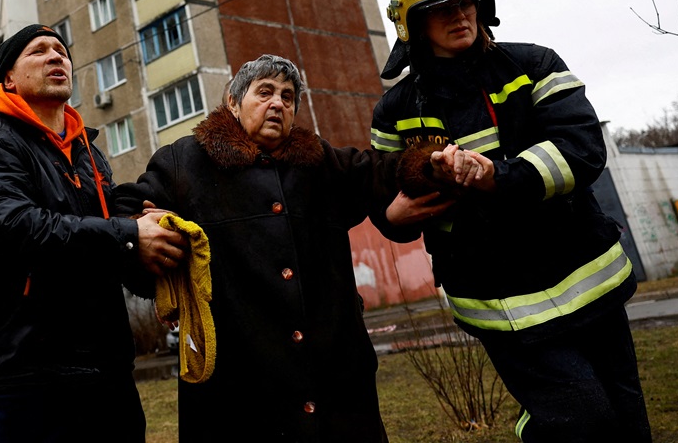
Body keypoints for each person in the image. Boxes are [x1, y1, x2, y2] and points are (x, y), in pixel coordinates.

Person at [371, 0, 651, 442]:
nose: (460, 14)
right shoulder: (394, 112)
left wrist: (497, 177)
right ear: (411, 24)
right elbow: (386, 194)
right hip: (498, 301)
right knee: (582, 422)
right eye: (441, 7)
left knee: (626, 423)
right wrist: (394, 215)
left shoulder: (535, 64)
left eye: (468, 0)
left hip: (590, 278)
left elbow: (582, 148)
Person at [112, 54, 468, 442]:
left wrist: (432, 166)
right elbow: (127, 213)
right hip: (239, 386)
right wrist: (145, 235)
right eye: (264, 92)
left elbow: (383, 170)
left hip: (333, 374)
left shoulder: (320, 160)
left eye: (287, 96)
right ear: (233, 102)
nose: (278, 103)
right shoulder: (183, 162)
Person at [0, 24, 186, 443]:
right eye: (38, 51)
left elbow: (108, 249)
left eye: (61, 50)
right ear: (9, 78)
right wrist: (128, 235)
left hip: (108, 372)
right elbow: (15, 228)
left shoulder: (88, 154)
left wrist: (155, 242)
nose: (56, 56)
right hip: (27, 378)